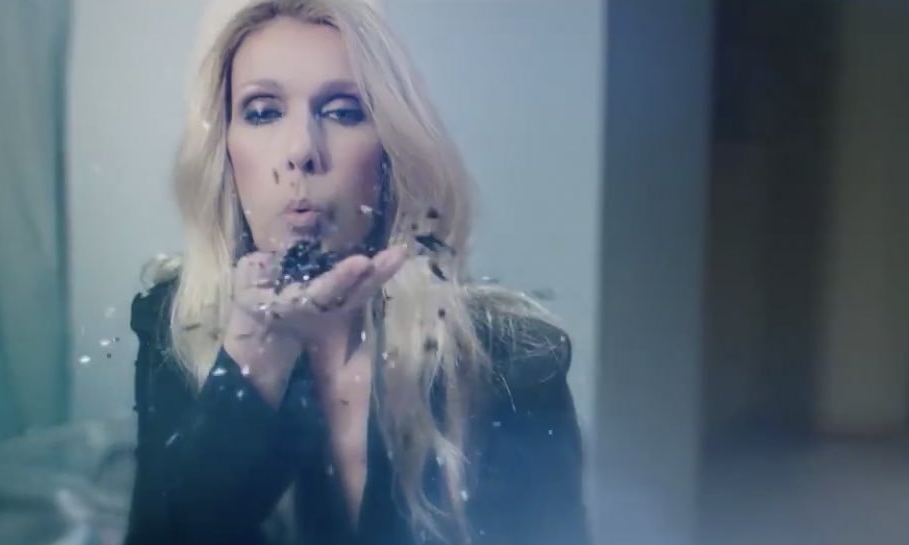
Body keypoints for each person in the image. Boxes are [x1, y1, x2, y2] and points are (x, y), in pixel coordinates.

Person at [124, 1, 589, 544]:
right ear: (224, 150)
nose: (302, 151)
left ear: (390, 151)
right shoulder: (176, 326)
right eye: (263, 112)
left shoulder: (509, 357)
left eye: (343, 112)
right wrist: (256, 360)